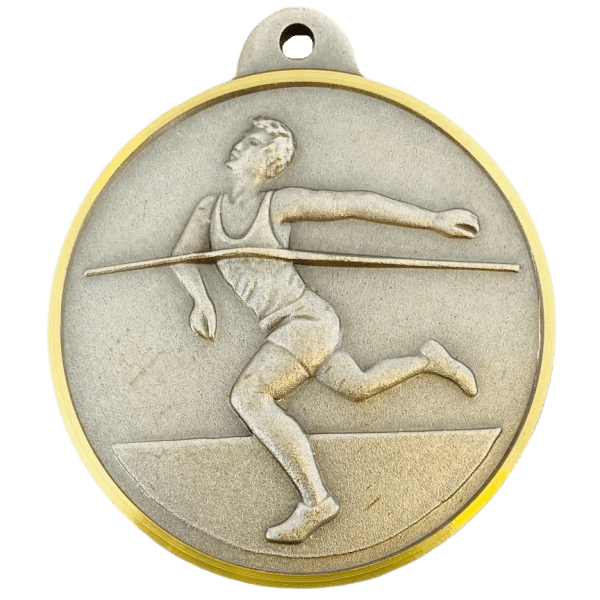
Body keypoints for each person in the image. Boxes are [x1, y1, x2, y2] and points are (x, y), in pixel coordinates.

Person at [171, 117, 480, 543]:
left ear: (271, 161)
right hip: (285, 326)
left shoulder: (278, 204)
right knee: (359, 387)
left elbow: (354, 204)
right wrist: (200, 300)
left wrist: (433, 220)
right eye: (244, 138)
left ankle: (315, 501)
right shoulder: (209, 209)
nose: (240, 144)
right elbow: (181, 257)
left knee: (248, 396)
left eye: (254, 141)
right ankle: (430, 361)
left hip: (305, 322)